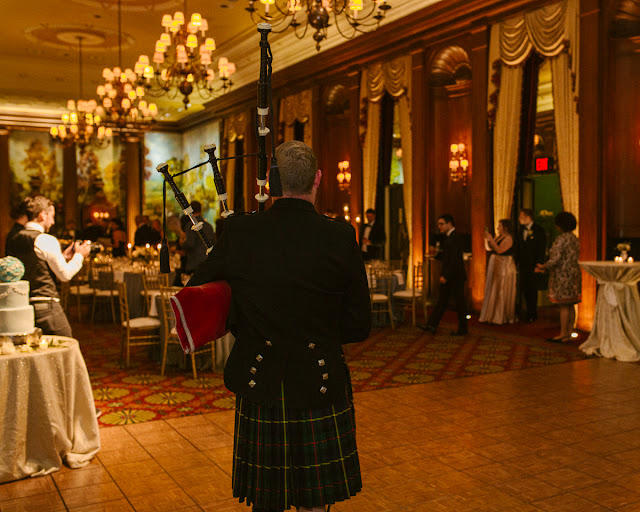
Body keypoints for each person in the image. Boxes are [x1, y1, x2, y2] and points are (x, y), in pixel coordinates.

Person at [188, 140, 371, 512]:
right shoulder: (340, 236)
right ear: (318, 179)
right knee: (315, 500)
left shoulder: (241, 232)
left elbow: (199, 291)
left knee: (266, 499)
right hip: (320, 376)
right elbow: (358, 325)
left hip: (261, 378)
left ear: (269, 183)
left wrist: (245, 317)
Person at [7, 196, 91, 337]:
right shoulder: (45, 239)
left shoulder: (15, 237)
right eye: (51, 216)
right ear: (42, 215)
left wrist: (62, 257)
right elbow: (65, 275)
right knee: (66, 349)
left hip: (24, 306)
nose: (52, 222)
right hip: (46, 308)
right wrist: (80, 255)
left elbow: (34, 263)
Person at [535, 211, 581, 342]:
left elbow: (555, 259)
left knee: (564, 305)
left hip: (563, 275)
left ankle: (563, 333)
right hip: (574, 274)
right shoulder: (574, 238)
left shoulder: (561, 239)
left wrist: (543, 266)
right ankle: (570, 332)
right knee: (571, 304)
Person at [421, 214, 468, 336]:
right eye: (438, 224)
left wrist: (445, 276)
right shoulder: (448, 237)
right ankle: (432, 325)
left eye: (441, 224)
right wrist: (435, 255)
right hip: (451, 275)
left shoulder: (455, 237)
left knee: (459, 303)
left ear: (449, 224)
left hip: (455, 276)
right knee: (442, 301)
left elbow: (454, 260)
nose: (439, 226)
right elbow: (447, 256)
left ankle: (462, 329)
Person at [479, 219, 517, 324]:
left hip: (504, 265)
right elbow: (489, 249)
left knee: (501, 288)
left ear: (505, 228)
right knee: (494, 287)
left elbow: (500, 250)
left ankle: (501, 315)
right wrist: (487, 240)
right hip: (496, 264)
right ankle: (492, 314)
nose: (497, 228)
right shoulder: (498, 237)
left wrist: (491, 239)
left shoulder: (509, 238)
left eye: (499, 226)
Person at [517, 208, 546, 323]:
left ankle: (533, 314)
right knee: (523, 288)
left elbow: (541, 248)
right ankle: (525, 312)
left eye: (521, 216)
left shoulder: (539, 230)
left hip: (533, 265)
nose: (519, 219)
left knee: (532, 290)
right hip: (523, 265)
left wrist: (539, 264)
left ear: (527, 217)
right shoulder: (520, 230)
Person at [181, 200, 215, 274]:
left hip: (194, 263)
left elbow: (190, 244)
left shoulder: (190, 225)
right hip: (207, 262)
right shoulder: (209, 226)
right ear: (201, 210)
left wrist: (182, 243)